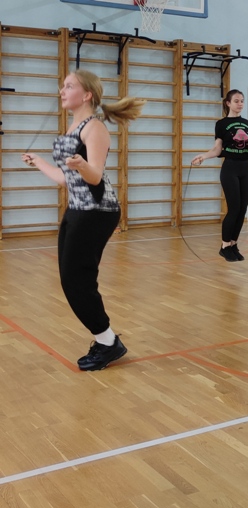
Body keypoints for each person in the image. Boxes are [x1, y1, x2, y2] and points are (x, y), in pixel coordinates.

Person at [21, 69, 145, 371]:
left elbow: (95, 175)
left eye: (69, 86)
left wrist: (81, 165)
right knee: (71, 278)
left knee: (77, 279)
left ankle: (108, 342)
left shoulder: (94, 128)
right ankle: (106, 340)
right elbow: (65, 179)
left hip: (97, 210)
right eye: (62, 86)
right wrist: (39, 162)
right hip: (78, 207)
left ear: (87, 94)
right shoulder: (73, 126)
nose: (62, 91)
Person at [191, 90, 248, 261]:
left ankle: (233, 244)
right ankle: (225, 246)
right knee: (233, 209)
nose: (240, 104)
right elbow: (217, 149)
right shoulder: (221, 124)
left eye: (242, 101)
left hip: (245, 168)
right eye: (236, 101)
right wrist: (203, 156)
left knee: (242, 210)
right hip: (230, 168)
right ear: (228, 103)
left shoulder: (246, 123)